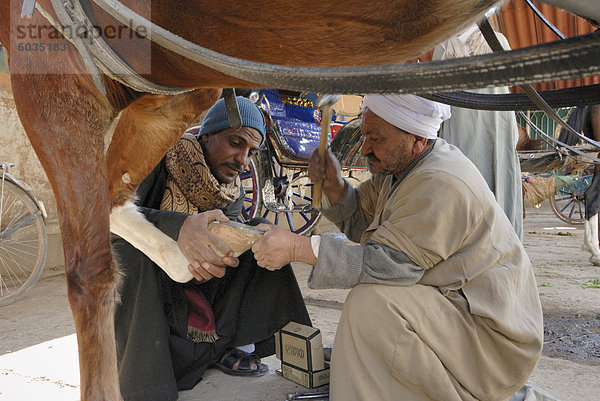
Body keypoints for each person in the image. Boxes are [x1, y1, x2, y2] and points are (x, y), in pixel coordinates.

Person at [252, 94, 543, 401]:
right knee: (374, 309)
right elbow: (366, 223)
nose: (365, 149)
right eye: (365, 136)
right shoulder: (401, 168)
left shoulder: (441, 182)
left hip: (492, 345)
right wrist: (336, 187)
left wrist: (299, 248)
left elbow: (388, 264)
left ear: (416, 137)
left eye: (375, 138)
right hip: (456, 315)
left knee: (372, 303)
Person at [112, 96, 311, 401]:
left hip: (200, 283)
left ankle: (252, 346)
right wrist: (181, 227)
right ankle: (146, 386)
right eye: (235, 143)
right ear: (207, 135)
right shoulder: (159, 158)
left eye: (250, 152)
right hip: (152, 291)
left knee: (263, 235)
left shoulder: (232, 192)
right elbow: (114, 214)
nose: (243, 160)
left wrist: (232, 244)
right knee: (127, 252)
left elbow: (224, 245)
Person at [433, 27, 524, 239]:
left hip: (474, 128)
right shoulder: (497, 40)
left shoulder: (446, 45)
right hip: (490, 126)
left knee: (462, 181)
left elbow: (434, 93)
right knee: (493, 177)